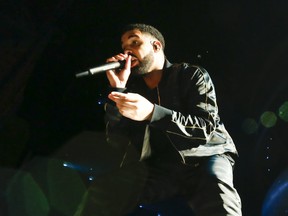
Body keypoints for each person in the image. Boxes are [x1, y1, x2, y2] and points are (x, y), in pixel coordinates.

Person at [74, 23, 242, 216]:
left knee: (218, 199)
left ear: (156, 46)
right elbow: (118, 141)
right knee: (105, 190)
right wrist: (118, 89)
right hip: (162, 168)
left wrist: (152, 113)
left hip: (205, 156)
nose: (127, 51)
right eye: (124, 47)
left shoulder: (191, 74)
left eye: (134, 42)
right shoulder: (135, 91)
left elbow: (204, 128)